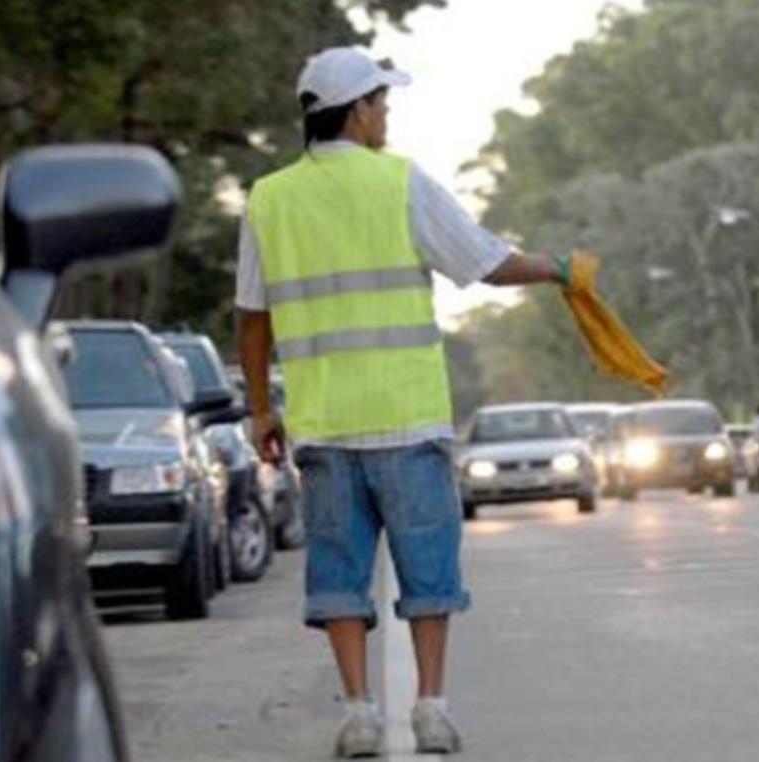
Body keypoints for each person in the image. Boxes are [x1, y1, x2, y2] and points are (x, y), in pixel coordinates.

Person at [235, 47, 580, 758]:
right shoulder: (399, 183)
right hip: (407, 418)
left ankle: (359, 713)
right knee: (430, 570)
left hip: (325, 426)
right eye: (382, 102)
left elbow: (251, 317)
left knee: (337, 573)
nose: (387, 114)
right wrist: (560, 269)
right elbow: (484, 261)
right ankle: (429, 707)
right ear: (357, 109)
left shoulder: (268, 199)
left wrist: (262, 413)